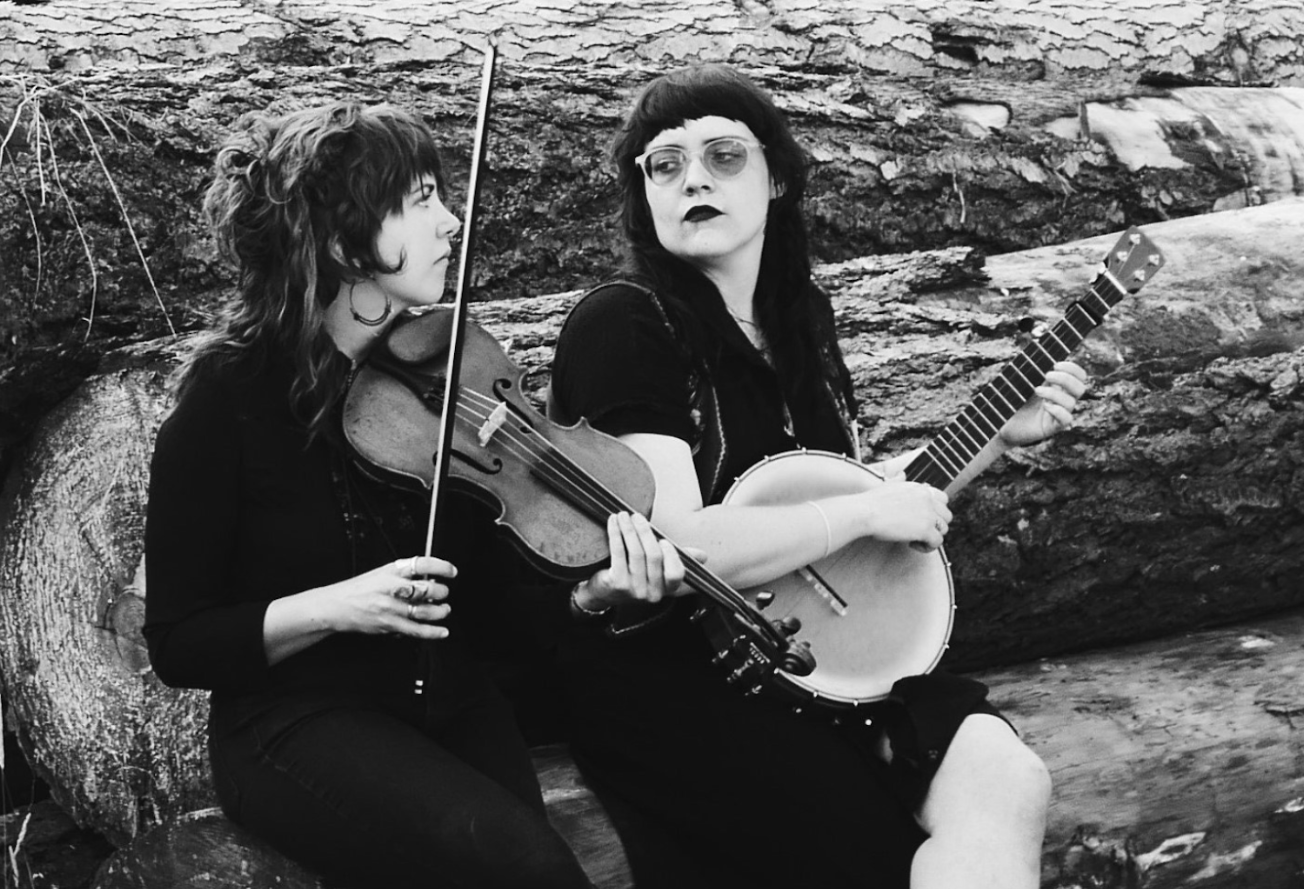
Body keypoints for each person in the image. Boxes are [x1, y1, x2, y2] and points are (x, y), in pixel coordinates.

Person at [548, 63, 1088, 889]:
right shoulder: (625, 322)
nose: (694, 178)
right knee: (867, 851)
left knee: (1009, 777)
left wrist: (996, 436)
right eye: (665, 164)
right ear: (644, 195)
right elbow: (681, 543)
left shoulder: (798, 320)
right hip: (687, 675)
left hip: (819, 653)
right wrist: (864, 515)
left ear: (776, 178)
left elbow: (859, 502)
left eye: (724, 154)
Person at [143, 101, 687, 888]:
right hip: (294, 720)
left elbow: (494, 607)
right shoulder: (226, 400)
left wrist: (592, 595)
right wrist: (338, 606)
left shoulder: (446, 380)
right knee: (530, 868)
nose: (451, 221)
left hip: (446, 697)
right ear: (343, 241)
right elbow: (178, 642)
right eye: (421, 199)